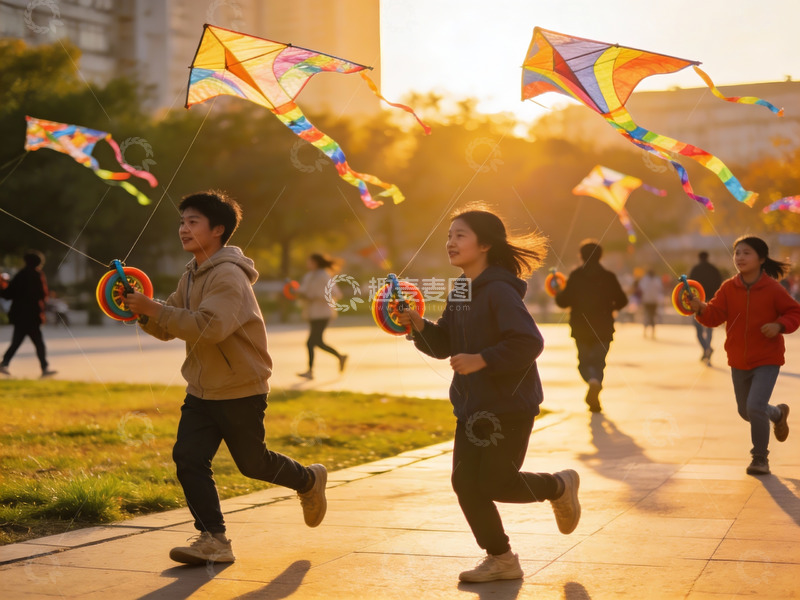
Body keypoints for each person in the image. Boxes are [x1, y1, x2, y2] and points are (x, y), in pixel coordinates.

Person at [124, 191, 327, 564]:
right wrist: (141, 311)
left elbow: (210, 327)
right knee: (188, 457)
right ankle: (214, 540)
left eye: (193, 222)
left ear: (218, 229)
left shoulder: (229, 276)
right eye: (182, 222)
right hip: (201, 391)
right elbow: (169, 327)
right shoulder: (191, 274)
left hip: (240, 389)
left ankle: (308, 480)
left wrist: (154, 308)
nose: (183, 229)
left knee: (253, 464)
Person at [397, 207, 580, 584]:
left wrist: (482, 359)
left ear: (484, 244)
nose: (450, 242)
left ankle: (557, 486)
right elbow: (445, 343)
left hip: (507, 406)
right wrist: (418, 325)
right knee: (465, 484)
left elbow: (528, 342)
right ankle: (501, 558)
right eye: (449, 235)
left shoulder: (498, 290)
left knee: (496, 482)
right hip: (471, 406)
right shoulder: (462, 289)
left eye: (460, 235)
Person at [689, 236, 800, 476]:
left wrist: (779, 325)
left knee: (754, 406)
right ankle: (777, 413)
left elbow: (794, 312)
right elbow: (714, 315)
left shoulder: (773, 289)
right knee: (746, 410)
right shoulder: (729, 288)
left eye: (746, 253)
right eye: (737, 253)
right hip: (738, 359)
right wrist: (700, 308)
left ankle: (760, 458)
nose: (740, 257)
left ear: (761, 258)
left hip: (767, 359)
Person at [555, 240, 628, 413]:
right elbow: (622, 300)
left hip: (581, 327)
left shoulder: (575, 276)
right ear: (600, 256)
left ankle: (592, 382)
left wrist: (558, 291)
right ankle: (595, 385)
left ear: (581, 256)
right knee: (599, 362)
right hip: (603, 327)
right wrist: (610, 307)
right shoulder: (608, 277)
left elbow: (563, 301)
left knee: (584, 362)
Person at [0, 250, 56, 377]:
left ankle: (4, 363)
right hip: (32, 316)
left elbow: (8, 294)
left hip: (20, 316)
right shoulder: (37, 275)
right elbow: (42, 295)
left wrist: (3, 285)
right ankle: (44, 368)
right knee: (38, 344)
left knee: (17, 342)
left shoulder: (21, 275)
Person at [296, 253, 347, 380]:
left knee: (311, 342)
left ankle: (310, 371)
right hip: (312, 314)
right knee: (317, 342)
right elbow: (304, 291)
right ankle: (340, 357)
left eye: (310, 261)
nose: (308, 264)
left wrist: (316, 297)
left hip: (323, 313)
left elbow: (336, 293)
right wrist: (296, 292)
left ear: (315, 262)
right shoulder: (309, 276)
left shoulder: (324, 276)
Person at [689, 251, 723, 364]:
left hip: (697, 303)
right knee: (709, 328)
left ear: (699, 258)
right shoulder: (714, 270)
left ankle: (706, 348)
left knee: (698, 330)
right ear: (708, 257)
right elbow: (720, 286)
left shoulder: (695, 270)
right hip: (711, 301)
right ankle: (708, 347)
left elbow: (689, 287)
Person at [638, 268, 663, 338]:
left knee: (647, 316)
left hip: (648, 301)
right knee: (652, 317)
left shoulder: (645, 280)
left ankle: (646, 331)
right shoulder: (656, 280)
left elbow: (641, 289)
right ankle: (651, 332)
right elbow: (660, 289)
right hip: (653, 301)